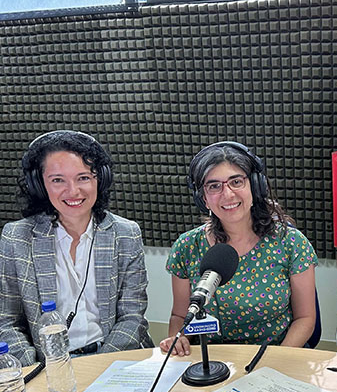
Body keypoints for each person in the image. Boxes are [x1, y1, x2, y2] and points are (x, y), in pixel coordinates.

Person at [0, 130, 153, 366]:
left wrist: (100, 367)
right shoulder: (16, 238)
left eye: (83, 178)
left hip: (115, 358)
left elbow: (132, 317)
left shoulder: (125, 233)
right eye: (58, 180)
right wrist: (35, 368)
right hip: (46, 366)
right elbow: (7, 322)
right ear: (40, 184)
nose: (73, 191)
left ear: (99, 179)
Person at [160, 141, 317, 355]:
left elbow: (305, 319)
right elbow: (180, 316)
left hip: (276, 357)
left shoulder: (290, 242)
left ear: (254, 186)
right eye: (214, 186)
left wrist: (276, 361)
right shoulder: (187, 247)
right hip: (211, 361)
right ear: (203, 198)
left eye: (236, 181)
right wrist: (178, 339)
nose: (228, 194)